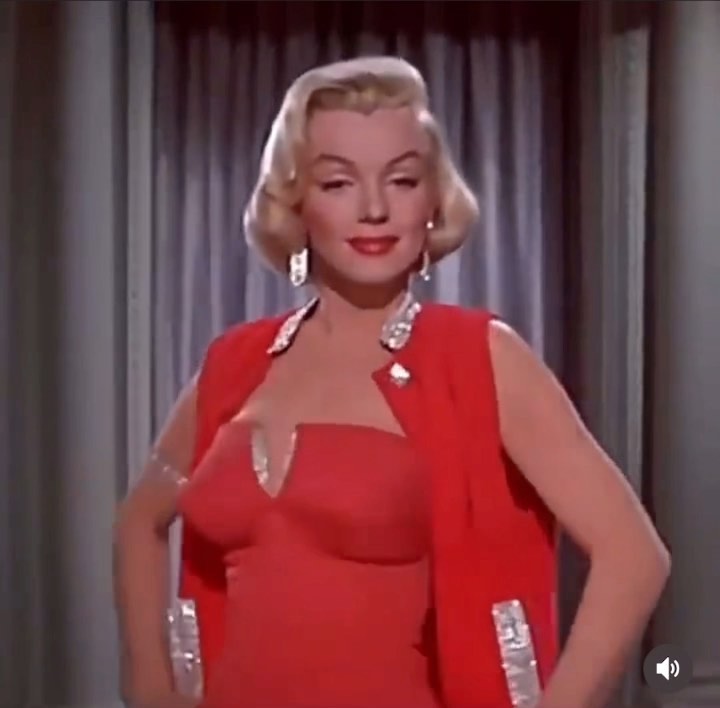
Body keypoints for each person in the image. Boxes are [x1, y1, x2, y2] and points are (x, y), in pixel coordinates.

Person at [113, 56, 670, 708]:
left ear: (433, 202)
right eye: (338, 182)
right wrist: (150, 683)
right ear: (295, 201)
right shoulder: (236, 364)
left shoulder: (477, 357)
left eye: (402, 180)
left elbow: (634, 557)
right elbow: (139, 520)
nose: (374, 209)